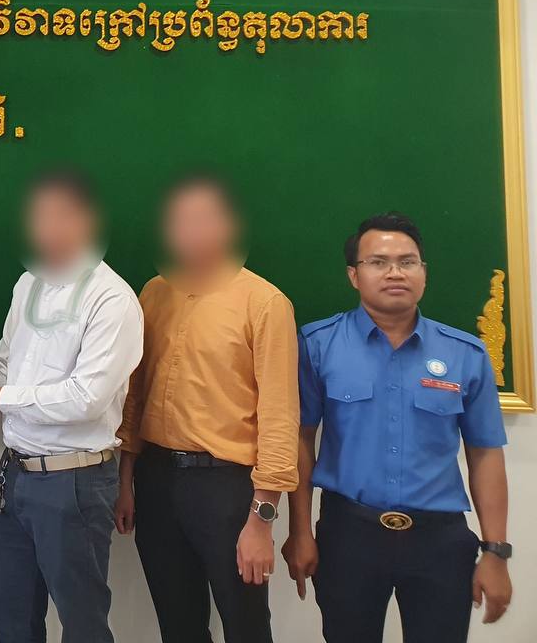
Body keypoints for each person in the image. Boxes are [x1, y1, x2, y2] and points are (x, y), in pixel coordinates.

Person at [283, 212, 511, 641]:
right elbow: (300, 439)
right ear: (354, 275)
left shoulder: (465, 353)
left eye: (408, 262)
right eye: (378, 262)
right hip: (348, 535)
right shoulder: (318, 345)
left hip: (440, 541)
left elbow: (485, 453)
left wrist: (496, 551)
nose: (395, 273)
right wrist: (299, 532)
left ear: (424, 272)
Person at [0, 170, 144, 643]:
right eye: (39, 218)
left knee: (82, 624)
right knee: (12, 618)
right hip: (14, 476)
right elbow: (4, 362)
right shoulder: (28, 284)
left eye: (60, 217)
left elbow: (86, 398)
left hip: (73, 483)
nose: (47, 230)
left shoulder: (112, 299)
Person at [115, 174, 298, 643]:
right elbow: (134, 395)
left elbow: (279, 416)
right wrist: (125, 480)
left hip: (227, 489)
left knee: (246, 626)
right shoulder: (153, 293)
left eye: (204, 219)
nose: (191, 231)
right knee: (178, 625)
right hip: (156, 480)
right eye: (181, 220)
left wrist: (262, 518)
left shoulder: (265, 302)